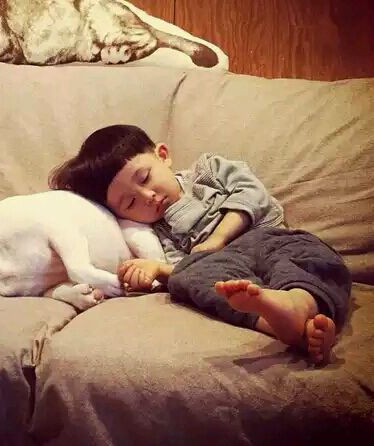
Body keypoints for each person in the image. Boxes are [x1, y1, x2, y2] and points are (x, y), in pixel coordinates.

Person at [49, 124, 351, 365]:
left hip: (272, 239)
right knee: (197, 280)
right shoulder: (154, 232)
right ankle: (287, 323)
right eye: (130, 203)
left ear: (163, 155)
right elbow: (183, 270)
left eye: (145, 178)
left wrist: (217, 239)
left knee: (310, 257)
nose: (148, 197)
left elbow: (252, 193)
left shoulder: (207, 171)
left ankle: (299, 303)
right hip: (226, 269)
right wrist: (156, 270)